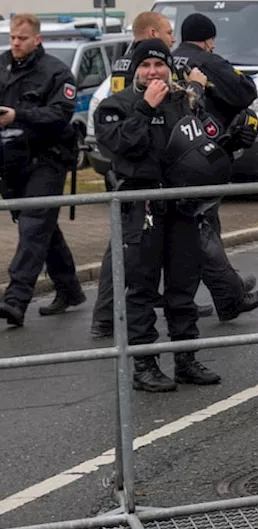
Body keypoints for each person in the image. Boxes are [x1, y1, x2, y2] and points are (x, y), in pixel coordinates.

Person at [92, 40, 224, 391]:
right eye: (146, 65)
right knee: (142, 287)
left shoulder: (182, 101)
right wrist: (145, 109)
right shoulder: (115, 106)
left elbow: (201, 144)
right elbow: (122, 146)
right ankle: (144, 365)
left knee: (183, 284)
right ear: (135, 68)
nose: (153, 72)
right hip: (141, 207)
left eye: (159, 65)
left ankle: (186, 357)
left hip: (180, 205)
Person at [171, 13, 258, 324]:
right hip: (201, 154)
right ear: (209, 39)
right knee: (204, 228)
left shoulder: (164, 61)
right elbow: (245, 91)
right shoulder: (207, 62)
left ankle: (216, 291)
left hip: (172, 154)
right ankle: (230, 296)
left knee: (193, 230)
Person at [0, 14, 83, 327]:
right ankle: (70, 288)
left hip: (48, 159)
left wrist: (17, 116)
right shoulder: (2, 65)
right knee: (40, 225)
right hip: (12, 160)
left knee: (34, 225)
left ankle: (15, 300)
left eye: (22, 38)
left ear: (37, 39)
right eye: (12, 37)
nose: (16, 43)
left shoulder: (56, 72)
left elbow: (59, 115)